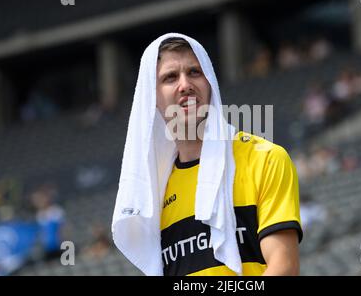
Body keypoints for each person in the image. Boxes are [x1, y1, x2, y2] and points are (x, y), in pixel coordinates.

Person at [112, 33, 302, 276]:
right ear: (153, 98)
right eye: (170, 77)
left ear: (210, 82)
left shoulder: (264, 158)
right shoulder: (153, 193)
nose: (185, 85)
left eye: (194, 72)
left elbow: (284, 268)